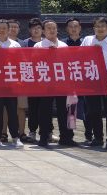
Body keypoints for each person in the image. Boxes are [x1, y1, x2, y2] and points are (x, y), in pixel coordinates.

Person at [34, 19, 76, 148]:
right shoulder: (38, 46)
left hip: (61, 82)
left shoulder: (63, 45)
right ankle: (44, 136)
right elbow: (35, 63)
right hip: (45, 83)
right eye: (48, 28)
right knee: (45, 110)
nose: (52, 31)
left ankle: (66, 137)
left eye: (54, 28)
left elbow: (69, 64)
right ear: (43, 31)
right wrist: (47, 53)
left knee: (63, 110)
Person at [82, 17, 107, 151]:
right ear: (94, 28)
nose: (100, 29)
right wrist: (91, 50)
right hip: (92, 76)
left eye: (103, 26)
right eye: (97, 26)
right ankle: (98, 137)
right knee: (93, 110)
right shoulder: (87, 40)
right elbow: (80, 56)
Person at [0, 19, 23, 148]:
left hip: (10, 82)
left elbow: (20, 62)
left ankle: (16, 137)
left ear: (9, 30)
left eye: (4, 28)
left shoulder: (15, 45)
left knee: (12, 111)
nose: (1, 30)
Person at [63, 17, 93, 142]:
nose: (73, 29)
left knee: (87, 107)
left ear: (80, 28)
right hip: (69, 81)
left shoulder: (87, 43)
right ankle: (69, 136)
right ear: (67, 29)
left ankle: (89, 134)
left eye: (76, 26)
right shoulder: (62, 44)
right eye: (71, 26)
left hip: (84, 80)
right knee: (70, 108)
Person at [20, 17, 44, 143]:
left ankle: (47, 131)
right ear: (30, 30)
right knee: (33, 107)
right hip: (31, 80)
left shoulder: (47, 42)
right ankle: (32, 131)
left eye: (39, 28)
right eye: (34, 28)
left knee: (45, 107)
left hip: (45, 79)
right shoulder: (25, 44)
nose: (36, 30)